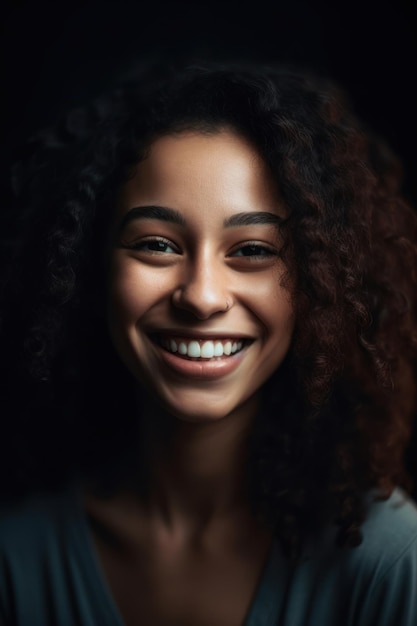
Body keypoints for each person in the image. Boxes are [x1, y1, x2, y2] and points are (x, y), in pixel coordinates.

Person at [0, 60, 416, 626]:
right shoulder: (16, 555)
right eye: (157, 245)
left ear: (322, 283)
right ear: (87, 267)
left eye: (252, 250)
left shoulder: (391, 564)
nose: (201, 296)